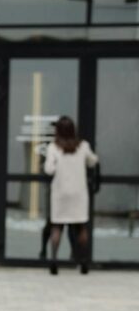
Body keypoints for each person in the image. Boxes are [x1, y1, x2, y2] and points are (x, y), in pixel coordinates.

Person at [43, 116, 98, 275]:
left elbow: (49, 170)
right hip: (78, 193)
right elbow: (92, 161)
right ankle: (84, 261)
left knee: (57, 227)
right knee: (80, 227)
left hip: (60, 193)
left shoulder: (54, 147)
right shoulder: (83, 146)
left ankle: (54, 260)